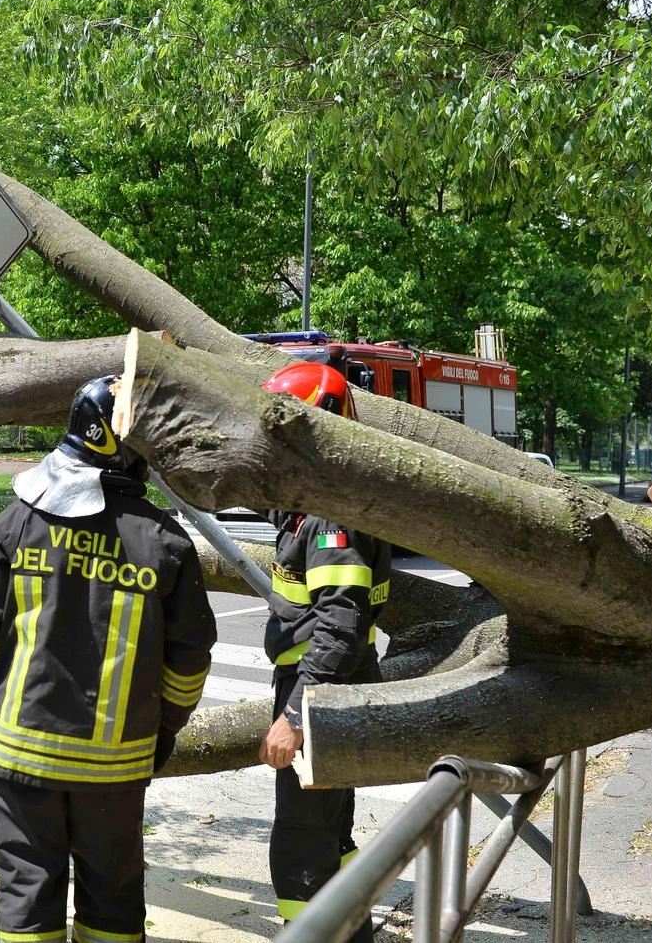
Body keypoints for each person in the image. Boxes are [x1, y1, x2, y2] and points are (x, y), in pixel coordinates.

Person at [0, 375, 217, 943]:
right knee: (113, 902)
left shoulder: (18, 522)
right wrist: (162, 732)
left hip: (19, 753)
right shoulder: (165, 542)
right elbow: (191, 658)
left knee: (26, 898)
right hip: (116, 765)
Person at [258, 362, 391, 942]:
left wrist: (295, 719)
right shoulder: (322, 499)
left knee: (302, 845)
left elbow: (337, 628)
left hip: (319, 694)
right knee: (332, 834)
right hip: (334, 690)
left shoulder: (333, 516)